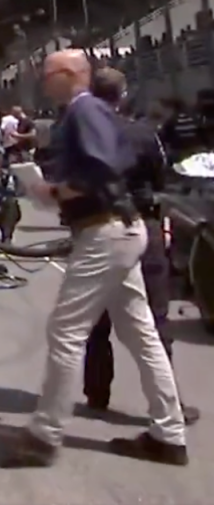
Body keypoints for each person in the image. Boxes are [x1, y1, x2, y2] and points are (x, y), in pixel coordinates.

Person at [0, 50, 187, 467]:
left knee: (65, 331)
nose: (42, 80)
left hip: (104, 230)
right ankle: (169, 433)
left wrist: (58, 192)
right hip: (121, 229)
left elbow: (106, 164)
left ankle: (44, 435)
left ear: (68, 74)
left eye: (46, 73)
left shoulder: (83, 110)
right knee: (141, 333)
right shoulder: (88, 112)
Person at [82, 69, 200, 425]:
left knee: (96, 320)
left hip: (96, 229)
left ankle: (97, 393)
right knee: (154, 319)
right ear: (122, 95)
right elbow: (160, 177)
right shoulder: (143, 133)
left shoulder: (79, 135)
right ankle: (168, 404)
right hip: (139, 225)